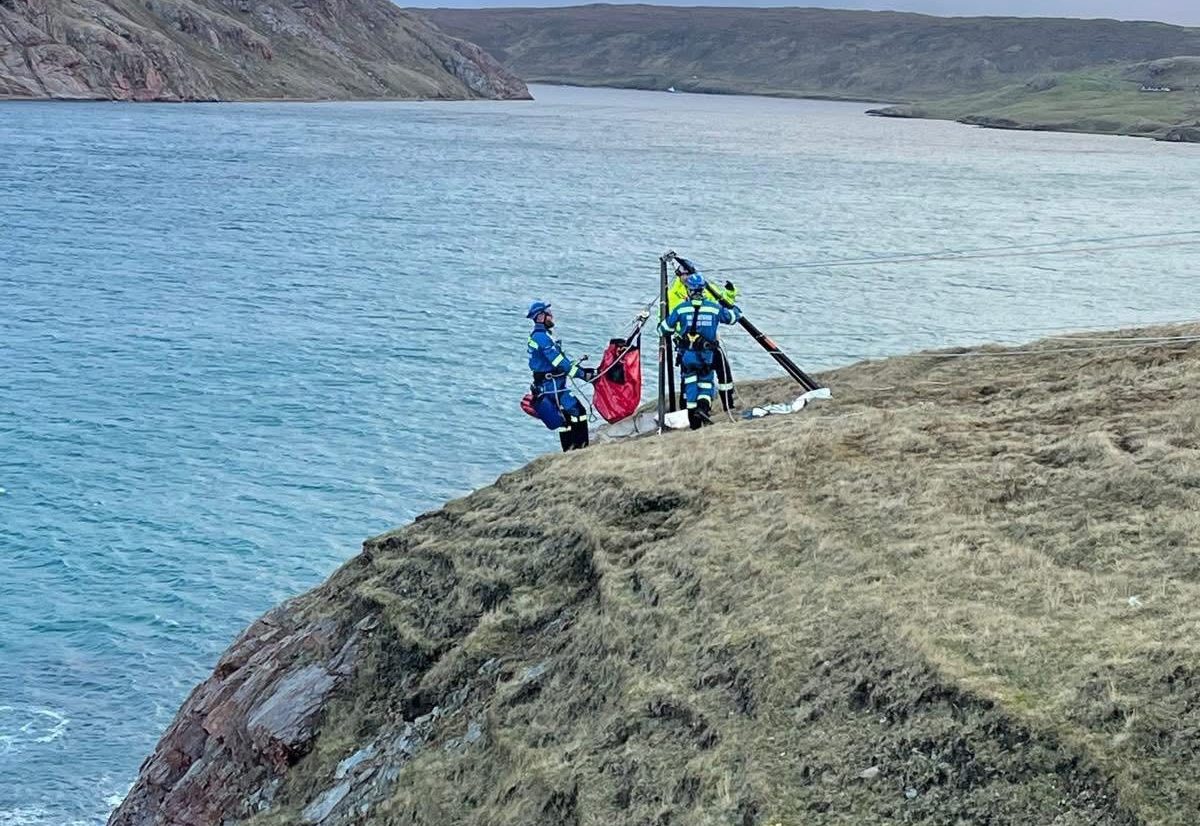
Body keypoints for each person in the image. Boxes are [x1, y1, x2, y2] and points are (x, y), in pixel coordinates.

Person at [659, 274, 742, 430]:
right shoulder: (713, 307)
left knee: (690, 385)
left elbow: (664, 329)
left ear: (689, 290)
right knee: (706, 384)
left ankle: (694, 421)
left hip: (687, 355)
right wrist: (735, 309)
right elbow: (732, 317)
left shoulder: (681, 308)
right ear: (703, 290)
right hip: (707, 355)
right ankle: (703, 409)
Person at [668, 257, 739, 411]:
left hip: (709, 342)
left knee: (722, 372)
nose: (686, 276)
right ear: (678, 275)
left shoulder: (704, 286)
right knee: (688, 379)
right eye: (683, 274)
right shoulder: (673, 293)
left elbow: (721, 301)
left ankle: (728, 404)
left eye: (688, 272)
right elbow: (670, 318)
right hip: (687, 344)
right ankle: (688, 411)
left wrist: (730, 293)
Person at [527, 301, 596, 451]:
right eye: (548, 313)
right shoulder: (543, 339)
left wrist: (577, 368)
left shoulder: (541, 336)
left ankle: (571, 450)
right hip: (552, 386)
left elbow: (559, 362)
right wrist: (582, 374)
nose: (552, 315)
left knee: (566, 419)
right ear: (540, 317)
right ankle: (581, 449)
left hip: (550, 384)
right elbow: (559, 362)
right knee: (578, 411)